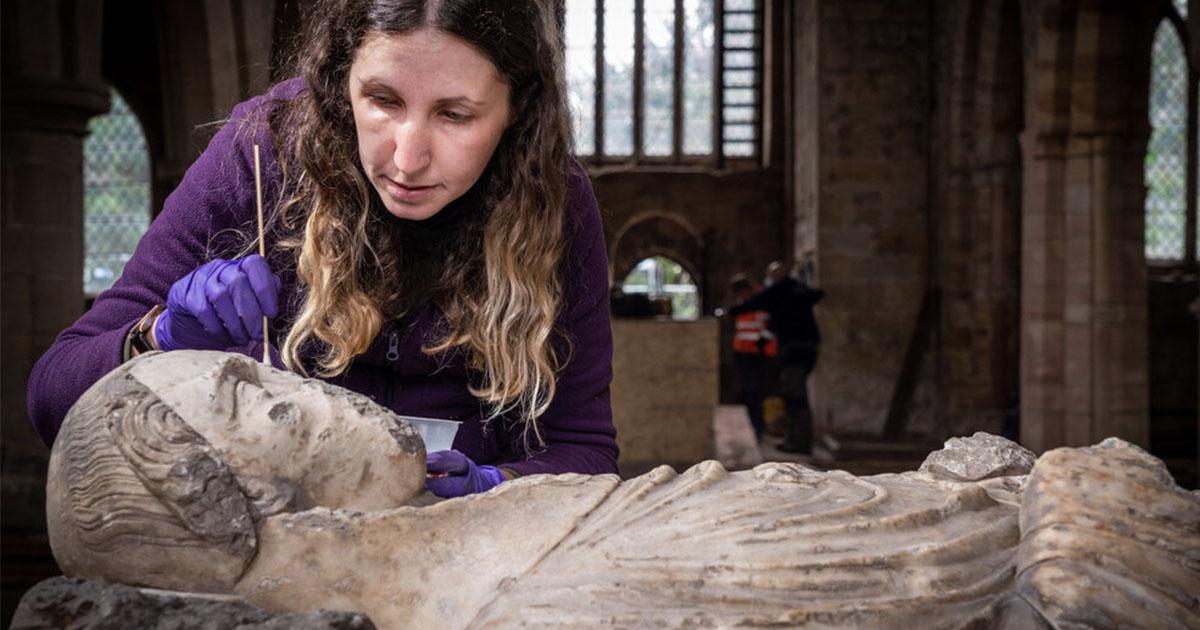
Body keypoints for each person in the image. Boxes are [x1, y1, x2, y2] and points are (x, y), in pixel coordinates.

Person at [26, 0, 618, 498]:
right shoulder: (260, 157)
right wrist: (158, 338)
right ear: (340, 82)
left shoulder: (551, 200)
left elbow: (586, 450)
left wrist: (497, 483)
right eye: (382, 101)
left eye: (455, 115)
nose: (408, 159)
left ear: (516, 111)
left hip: (460, 557)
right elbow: (52, 399)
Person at [729, 261, 823, 454]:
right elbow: (815, 296)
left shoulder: (781, 291)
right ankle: (796, 439)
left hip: (794, 349)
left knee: (795, 395)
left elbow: (755, 304)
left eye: (771, 277)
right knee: (794, 393)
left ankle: (799, 442)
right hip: (807, 347)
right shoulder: (797, 291)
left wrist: (731, 312)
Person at [728, 274, 777, 439]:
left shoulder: (762, 302)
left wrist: (761, 344)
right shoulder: (743, 304)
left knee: (756, 391)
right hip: (743, 352)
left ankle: (757, 428)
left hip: (757, 353)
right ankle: (749, 427)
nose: (740, 297)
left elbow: (771, 324)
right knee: (746, 391)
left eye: (742, 292)